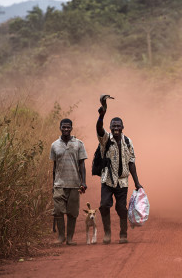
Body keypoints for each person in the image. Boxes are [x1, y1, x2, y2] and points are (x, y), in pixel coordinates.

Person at [97, 105, 142, 244]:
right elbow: (98, 128)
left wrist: (137, 182)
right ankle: (107, 233)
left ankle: (123, 234)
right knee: (104, 205)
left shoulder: (128, 141)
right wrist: (101, 116)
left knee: (121, 208)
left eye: (118, 126)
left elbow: (131, 163)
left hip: (122, 182)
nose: (116, 128)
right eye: (113, 126)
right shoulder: (105, 139)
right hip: (107, 180)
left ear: (123, 127)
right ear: (109, 127)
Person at [50, 118, 88, 245]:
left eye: (68, 127)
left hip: (74, 184)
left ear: (71, 128)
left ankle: (70, 238)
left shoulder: (78, 144)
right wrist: (53, 184)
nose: (66, 129)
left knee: (72, 212)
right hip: (59, 184)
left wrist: (83, 182)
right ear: (60, 128)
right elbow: (55, 166)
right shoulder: (54, 145)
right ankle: (61, 237)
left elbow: (82, 164)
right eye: (63, 127)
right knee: (58, 211)